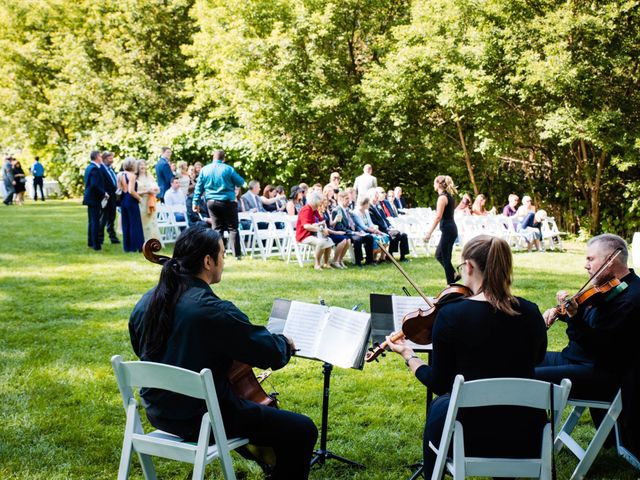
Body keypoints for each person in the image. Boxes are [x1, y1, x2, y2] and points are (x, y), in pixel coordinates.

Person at [129, 226, 317, 479]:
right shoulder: (213, 311)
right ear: (208, 261)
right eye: (223, 254)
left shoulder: (146, 302)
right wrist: (284, 343)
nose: (224, 261)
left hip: (159, 412)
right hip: (202, 418)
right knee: (302, 429)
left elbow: (142, 349)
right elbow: (268, 353)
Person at [386, 235, 548, 479]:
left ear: (469, 267)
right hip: (528, 435)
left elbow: (440, 383)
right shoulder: (531, 311)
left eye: (461, 267)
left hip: (470, 435)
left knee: (439, 407)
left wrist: (410, 356)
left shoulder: (452, 315)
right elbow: (536, 359)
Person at [535, 234, 640, 403]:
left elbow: (598, 347)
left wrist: (574, 317)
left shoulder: (630, 299)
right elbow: (588, 316)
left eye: (590, 259)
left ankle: (536, 428)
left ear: (610, 260)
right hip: (573, 359)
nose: (586, 265)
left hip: (597, 371)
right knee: (517, 360)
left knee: (524, 377)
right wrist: (558, 311)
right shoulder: (607, 288)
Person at [193, 150, 245, 259]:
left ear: (213, 157)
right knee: (233, 228)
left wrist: (195, 202)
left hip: (211, 202)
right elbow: (240, 182)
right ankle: (237, 255)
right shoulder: (228, 169)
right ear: (224, 158)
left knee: (217, 228)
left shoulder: (204, 169)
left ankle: (218, 254)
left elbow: (198, 187)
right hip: (227, 201)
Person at [424, 175, 458, 284]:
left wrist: (429, 232)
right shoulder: (449, 196)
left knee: (445, 256)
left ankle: (451, 284)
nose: (433, 185)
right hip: (450, 228)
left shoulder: (442, 198)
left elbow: (438, 217)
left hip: (448, 229)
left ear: (438, 184)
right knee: (439, 255)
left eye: (434, 183)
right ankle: (454, 274)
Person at [333, 191, 374, 267]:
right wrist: (354, 233)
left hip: (354, 231)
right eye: (346, 199)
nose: (349, 200)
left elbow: (355, 224)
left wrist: (360, 231)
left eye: (349, 198)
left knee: (369, 237)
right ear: (341, 199)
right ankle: (358, 262)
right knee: (357, 239)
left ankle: (369, 260)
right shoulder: (337, 211)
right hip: (346, 233)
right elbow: (340, 227)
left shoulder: (348, 210)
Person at [295, 191, 335, 270]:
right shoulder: (306, 210)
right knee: (321, 242)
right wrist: (320, 229)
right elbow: (306, 226)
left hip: (313, 234)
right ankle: (317, 264)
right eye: (320, 201)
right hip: (304, 235)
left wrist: (322, 224)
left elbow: (319, 221)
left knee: (329, 241)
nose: (321, 203)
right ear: (315, 201)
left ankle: (326, 263)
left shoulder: (314, 210)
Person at [368, 189, 409, 261]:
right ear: (370, 196)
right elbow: (375, 222)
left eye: (377, 195)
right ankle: (390, 254)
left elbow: (385, 219)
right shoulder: (369, 208)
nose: (377, 197)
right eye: (375, 195)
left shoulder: (378, 206)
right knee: (396, 234)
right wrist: (386, 228)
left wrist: (390, 226)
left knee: (404, 235)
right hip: (380, 229)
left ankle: (403, 256)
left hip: (387, 227)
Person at [83, 151, 109, 251]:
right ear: (97, 157)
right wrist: (104, 193)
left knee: (91, 221)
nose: (101, 157)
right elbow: (94, 185)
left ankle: (91, 242)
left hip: (90, 198)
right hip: (94, 198)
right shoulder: (94, 169)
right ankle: (96, 245)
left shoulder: (89, 167)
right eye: (100, 156)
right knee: (95, 222)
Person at [119, 157, 145, 253]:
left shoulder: (120, 174)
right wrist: (139, 198)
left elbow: (119, 188)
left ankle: (127, 247)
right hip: (131, 200)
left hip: (123, 200)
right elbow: (131, 191)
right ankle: (136, 246)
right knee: (135, 223)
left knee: (126, 223)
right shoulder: (132, 176)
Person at [352, 196, 389, 262]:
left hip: (370, 230)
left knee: (385, 236)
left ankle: (380, 258)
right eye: (368, 203)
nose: (369, 205)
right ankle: (371, 258)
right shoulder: (355, 213)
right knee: (374, 238)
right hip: (362, 232)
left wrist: (376, 229)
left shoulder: (366, 212)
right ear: (365, 204)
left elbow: (370, 223)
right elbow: (363, 226)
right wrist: (374, 231)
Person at [319, 196, 351, 269]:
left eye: (327, 201)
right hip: (324, 233)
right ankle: (335, 260)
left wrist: (336, 220)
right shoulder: (319, 212)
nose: (327, 202)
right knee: (343, 240)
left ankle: (340, 259)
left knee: (348, 240)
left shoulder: (326, 210)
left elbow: (331, 224)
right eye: (325, 201)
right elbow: (324, 227)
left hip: (330, 231)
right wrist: (337, 233)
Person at [136, 160, 161, 241]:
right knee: (142, 221)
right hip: (140, 202)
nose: (143, 167)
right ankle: (142, 240)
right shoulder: (135, 178)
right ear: (137, 167)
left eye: (144, 165)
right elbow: (133, 192)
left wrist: (155, 190)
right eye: (141, 165)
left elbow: (157, 188)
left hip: (150, 201)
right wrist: (146, 191)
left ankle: (152, 241)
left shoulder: (150, 176)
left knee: (152, 222)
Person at [99, 151, 120, 245]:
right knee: (103, 218)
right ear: (104, 159)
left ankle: (113, 238)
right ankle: (100, 238)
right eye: (110, 158)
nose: (112, 160)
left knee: (112, 218)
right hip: (106, 197)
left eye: (112, 158)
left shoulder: (111, 169)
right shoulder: (101, 169)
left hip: (114, 197)